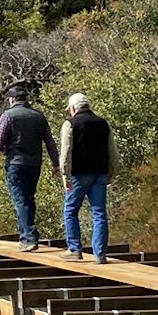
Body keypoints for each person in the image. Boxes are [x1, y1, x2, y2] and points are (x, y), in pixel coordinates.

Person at [0, 84, 58, 251]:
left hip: (16, 163)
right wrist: (56, 164)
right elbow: (50, 142)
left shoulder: (8, 116)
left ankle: (29, 238)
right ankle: (27, 235)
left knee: (21, 200)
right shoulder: (39, 116)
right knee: (29, 199)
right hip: (35, 164)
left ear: (12, 99)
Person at [58, 92, 116, 263]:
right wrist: (112, 172)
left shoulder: (70, 124)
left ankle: (75, 249)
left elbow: (66, 152)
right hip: (100, 173)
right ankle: (100, 254)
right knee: (99, 213)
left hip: (79, 174)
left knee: (70, 210)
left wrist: (65, 175)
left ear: (74, 108)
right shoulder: (103, 123)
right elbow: (112, 151)